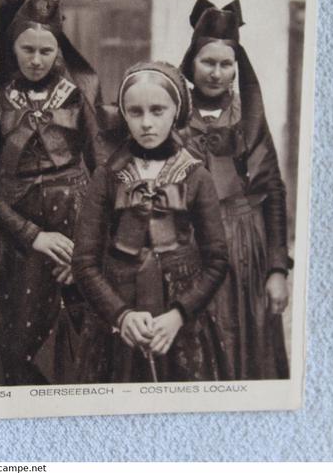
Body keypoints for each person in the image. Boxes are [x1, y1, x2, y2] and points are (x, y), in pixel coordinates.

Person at [72, 61, 229, 383]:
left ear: (176, 112)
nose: (146, 123)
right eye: (135, 112)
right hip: (119, 325)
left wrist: (179, 315)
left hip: (181, 327)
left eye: (158, 111)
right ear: (124, 115)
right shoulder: (107, 177)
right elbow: (84, 262)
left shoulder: (197, 176)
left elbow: (217, 261)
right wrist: (121, 315)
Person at [0, 0, 103, 385]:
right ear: (12, 47)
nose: (36, 60)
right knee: (16, 347)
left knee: (74, 350)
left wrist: (85, 252)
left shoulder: (77, 98)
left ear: (58, 52)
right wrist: (31, 235)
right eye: (27, 49)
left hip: (72, 238)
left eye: (45, 50)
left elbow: (104, 175)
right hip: (15, 246)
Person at [179, 0, 292, 379]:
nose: (216, 73)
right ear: (191, 62)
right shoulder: (172, 113)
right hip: (188, 246)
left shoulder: (250, 117)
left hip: (245, 248)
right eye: (207, 62)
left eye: (226, 64)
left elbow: (273, 190)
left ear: (236, 67)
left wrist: (277, 269)